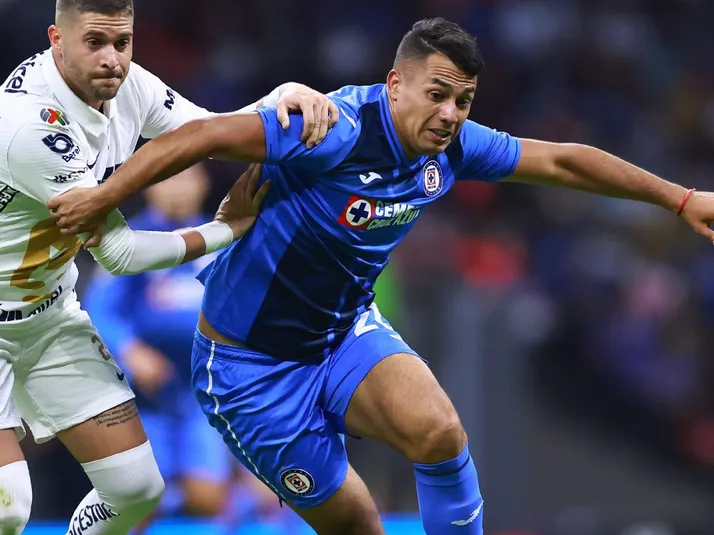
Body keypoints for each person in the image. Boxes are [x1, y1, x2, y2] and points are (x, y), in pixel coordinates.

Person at [47, 17, 714, 535]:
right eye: (437, 95)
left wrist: (680, 199)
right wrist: (105, 196)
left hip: (341, 336)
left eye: (464, 100)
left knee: (441, 433)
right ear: (395, 85)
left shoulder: (452, 146)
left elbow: (563, 161)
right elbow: (204, 136)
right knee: (360, 526)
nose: (450, 113)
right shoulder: (334, 131)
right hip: (249, 370)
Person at [0, 0, 336, 532]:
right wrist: (225, 229)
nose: (112, 59)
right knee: (10, 506)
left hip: (49, 317)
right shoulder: (29, 126)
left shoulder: (128, 85)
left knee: (136, 491)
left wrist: (280, 97)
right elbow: (118, 254)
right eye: (95, 43)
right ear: (56, 40)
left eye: (123, 42)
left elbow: (207, 129)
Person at [82, 165, 235, 527]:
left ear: (203, 184)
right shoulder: (129, 240)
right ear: (149, 187)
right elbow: (98, 309)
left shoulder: (221, 239)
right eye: (167, 178)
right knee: (140, 497)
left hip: (203, 392)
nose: (177, 188)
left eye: (186, 178)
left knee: (207, 498)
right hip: (142, 395)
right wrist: (130, 349)